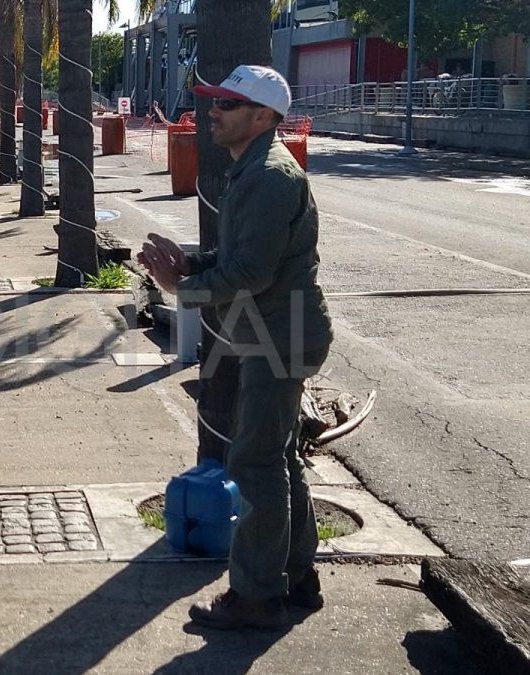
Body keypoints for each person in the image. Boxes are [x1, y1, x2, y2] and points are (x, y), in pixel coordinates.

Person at [137, 64, 333, 630]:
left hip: (280, 333)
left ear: (264, 116)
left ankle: (256, 595)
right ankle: (296, 579)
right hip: (275, 331)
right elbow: (238, 259)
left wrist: (184, 288)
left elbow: (251, 271)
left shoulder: (269, 177)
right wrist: (193, 265)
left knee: (255, 461)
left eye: (226, 103)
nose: (211, 112)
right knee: (279, 458)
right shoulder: (253, 170)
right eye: (212, 101)